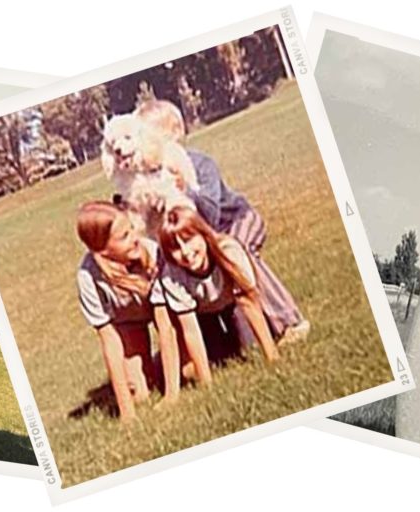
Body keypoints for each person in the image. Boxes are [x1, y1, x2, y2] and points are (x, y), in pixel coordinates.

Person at [135, 99, 310, 345]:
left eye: (150, 137)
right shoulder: (151, 177)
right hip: (204, 237)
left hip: (235, 219)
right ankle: (226, 339)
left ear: (174, 134)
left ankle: (288, 321)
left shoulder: (199, 164)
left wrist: (185, 190)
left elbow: (211, 213)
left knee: (239, 252)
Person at [76, 201, 194, 419]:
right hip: (129, 323)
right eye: (124, 237)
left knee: (188, 372)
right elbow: (110, 343)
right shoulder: (88, 277)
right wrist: (126, 412)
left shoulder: (152, 253)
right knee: (139, 394)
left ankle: (171, 361)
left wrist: (171, 396)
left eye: (131, 229)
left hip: (167, 314)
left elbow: (165, 328)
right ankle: (149, 368)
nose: (135, 238)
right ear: (102, 249)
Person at [156, 206, 280, 386]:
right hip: (203, 316)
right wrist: (206, 382)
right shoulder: (171, 275)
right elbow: (190, 329)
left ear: (203, 234)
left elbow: (249, 302)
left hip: (233, 305)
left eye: (189, 239)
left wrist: (272, 356)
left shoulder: (229, 250)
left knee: (248, 348)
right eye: (175, 247)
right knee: (217, 360)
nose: (185, 252)